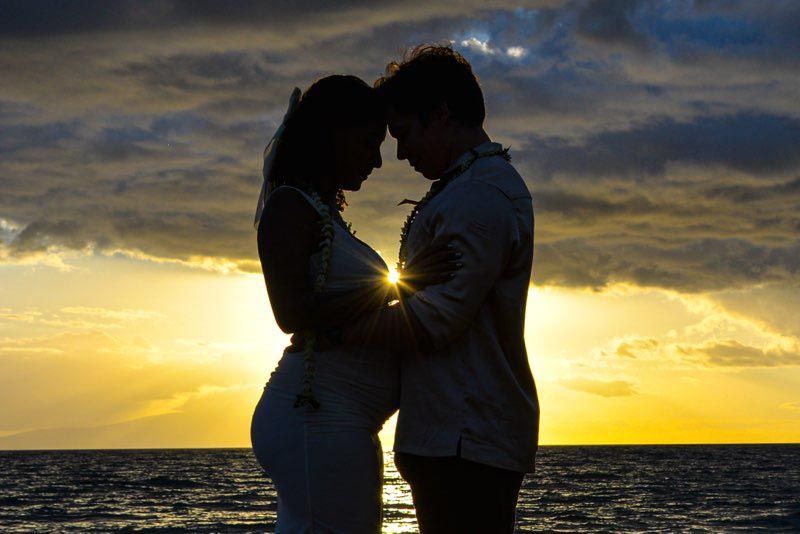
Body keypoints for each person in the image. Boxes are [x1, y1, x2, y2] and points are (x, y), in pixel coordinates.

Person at [343, 45, 539, 533]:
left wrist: (332, 323)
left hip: (465, 441)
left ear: (442, 113)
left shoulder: (478, 196)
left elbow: (436, 320)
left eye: (405, 134)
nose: (401, 153)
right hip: (457, 437)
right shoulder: (471, 187)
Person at [250, 75, 458, 533]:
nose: (379, 160)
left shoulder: (322, 215)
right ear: (331, 135)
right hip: (316, 421)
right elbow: (294, 313)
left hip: (339, 423)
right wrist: (401, 285)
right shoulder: (288, 207)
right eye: (368, 143)